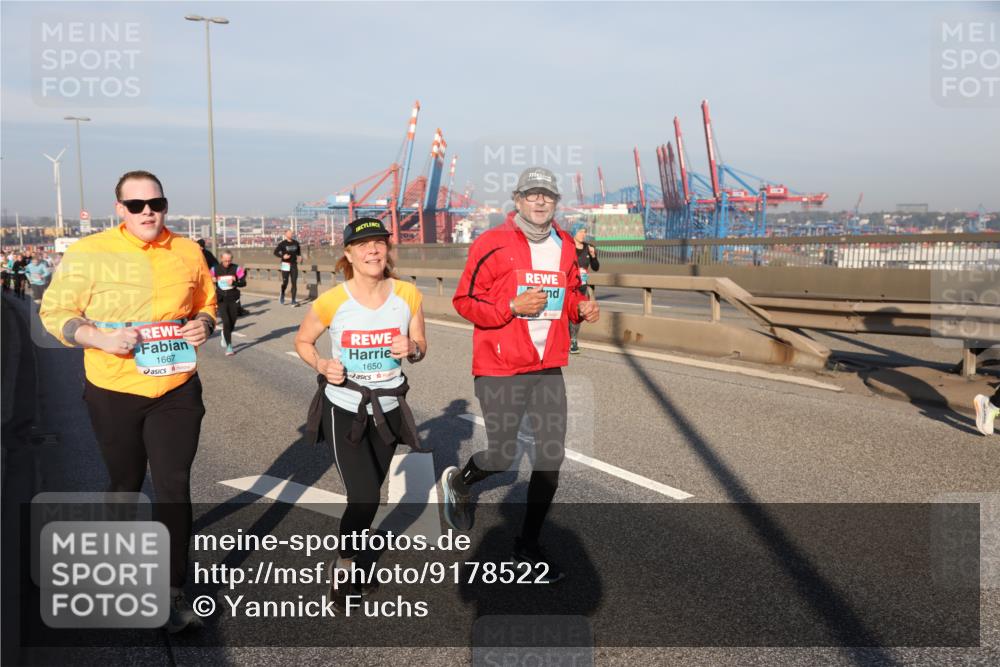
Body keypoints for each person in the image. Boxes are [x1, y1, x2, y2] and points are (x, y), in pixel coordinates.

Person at [40, 170, 217, 633]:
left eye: (155, 203)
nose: (147, 212)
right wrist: (97, 336)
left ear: (165, 204)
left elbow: (208, 302)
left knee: (174, 486)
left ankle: (174, 592)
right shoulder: (88, 253)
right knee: (126, 481)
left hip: (175, 388)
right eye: (135, 205)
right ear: (119, 209)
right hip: (112, 388)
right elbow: (55, 313)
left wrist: (205, 323)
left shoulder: (187, 250)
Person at [440, 167, 600, 583]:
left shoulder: (566, 245)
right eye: (532, 195)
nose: (540, 201)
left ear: (556, 201)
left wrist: (579, 309)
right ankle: (461, 481)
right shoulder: (491, 244)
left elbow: (570, 294)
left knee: (551, 461)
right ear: (517, 200)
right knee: (503, 456)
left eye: (547, 195)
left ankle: (527, 546)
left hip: (548, 368)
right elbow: (463, 301)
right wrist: (510, 308)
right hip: (500, 366)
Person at [294, 217, 427, 604]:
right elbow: (303, 340)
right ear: (348, 254)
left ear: (387, 249)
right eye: (363, 244)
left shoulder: (408, 294)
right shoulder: (334, 300)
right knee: (365, 496)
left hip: (388, 410)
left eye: (379, 243)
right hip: (344, 409)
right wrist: (321, 365)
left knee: (374, 494)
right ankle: (346, 564)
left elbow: (420, 344)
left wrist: (412, 349)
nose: (373, 250)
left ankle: (359, 555)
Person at [568, 222, 600, 354]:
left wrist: (593, 256)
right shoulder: (567, 247)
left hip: (582, 287)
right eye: (580, 231)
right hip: (569, 286)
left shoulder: (589, 247)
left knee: (579, 314)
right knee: (566, 315)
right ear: (574, 232)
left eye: (584, 232)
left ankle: (573, 340)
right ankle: (566, 339)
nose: (583, 234)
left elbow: (596, 267)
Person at [211, 251, 247, 356]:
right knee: (226, 322)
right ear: (221, 259)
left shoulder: (236, 269)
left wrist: (235, 282)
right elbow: (206, 280)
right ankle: (229, 346)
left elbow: (243, 283)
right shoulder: (214, 269)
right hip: (221, 299)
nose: (227, 262)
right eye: (225, 260)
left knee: (232, 322)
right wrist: (212, 280)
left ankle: (224, 333)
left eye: (229, 260)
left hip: (233, 298)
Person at [274, 229, 302, 306]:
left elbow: (298, 252)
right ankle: (282, 293)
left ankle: (293, 301)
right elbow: (275, 252)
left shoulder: (296, 243)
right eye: (289, 233)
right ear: (285, 234)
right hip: (285, 264)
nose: (291, 234)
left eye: (291, 233)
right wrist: (283, 256)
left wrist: (299, 257)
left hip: (293, 265)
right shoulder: (282, 244)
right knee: (285, 283)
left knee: (294, 283)